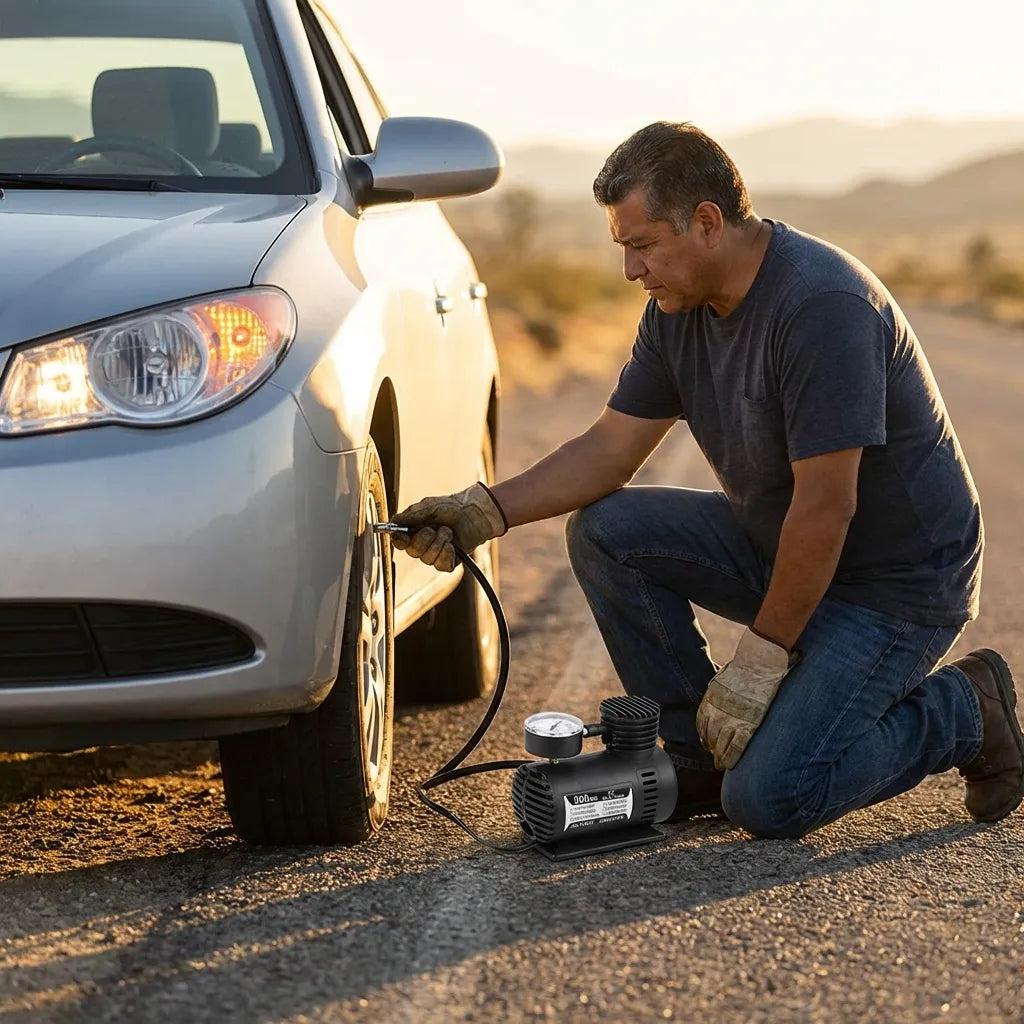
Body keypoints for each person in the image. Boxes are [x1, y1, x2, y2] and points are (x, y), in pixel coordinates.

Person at [391, 121, 1024, 839]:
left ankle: (965, 710)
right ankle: (700, 759)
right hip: (785, 547)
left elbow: (826, 507)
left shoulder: (822, 307)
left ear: (707, 222)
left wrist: (759, 664)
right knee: (607, 532)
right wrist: (483, 511)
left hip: (894, 586)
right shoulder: (675, 311)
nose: (632, 270)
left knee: (773, 798)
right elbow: (608, 451)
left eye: (641, 245)